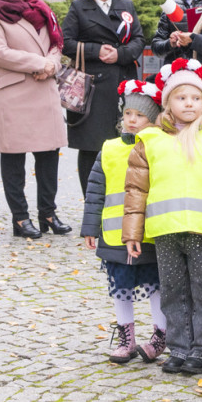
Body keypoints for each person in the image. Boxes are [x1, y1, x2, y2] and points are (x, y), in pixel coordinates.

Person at [122, 59, 202, 376]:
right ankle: (178, 346)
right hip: (166, 232)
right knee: (174, 292)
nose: (189, 103)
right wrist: (132, 233)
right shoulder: (150, 141)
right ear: (168, 103)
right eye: (181, 97)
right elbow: (136, 190)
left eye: (195, 98)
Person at [80, 81, 166, 364]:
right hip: (114, 233)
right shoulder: (109, 148)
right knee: (120, 287)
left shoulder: (160, 148)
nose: (132, 120)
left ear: (153, 119)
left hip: (149, 233)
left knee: (156, 285)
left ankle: (160, 335)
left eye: (140, 115)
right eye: (128, 113)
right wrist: (91, 227)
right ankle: (126, 338)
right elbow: (95, 191)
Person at [0, 0, 69, 238]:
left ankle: (48, 213)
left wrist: (52, 65)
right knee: (14, 159)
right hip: (13, 95)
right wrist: (40, 63)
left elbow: (57, 45)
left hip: (45, 91)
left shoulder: (41, 11)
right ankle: (20, 219)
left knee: (49, 156)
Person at [61, 0, 144, 196]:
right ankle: (91, 205)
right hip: (93, 88)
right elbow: (66, 42)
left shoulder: (125, 4)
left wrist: (120, 54)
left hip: (123, 82)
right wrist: (95, 51)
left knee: (124, 142)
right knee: (91, 147)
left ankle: (122, 201)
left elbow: (139, 39)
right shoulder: (79, 8)